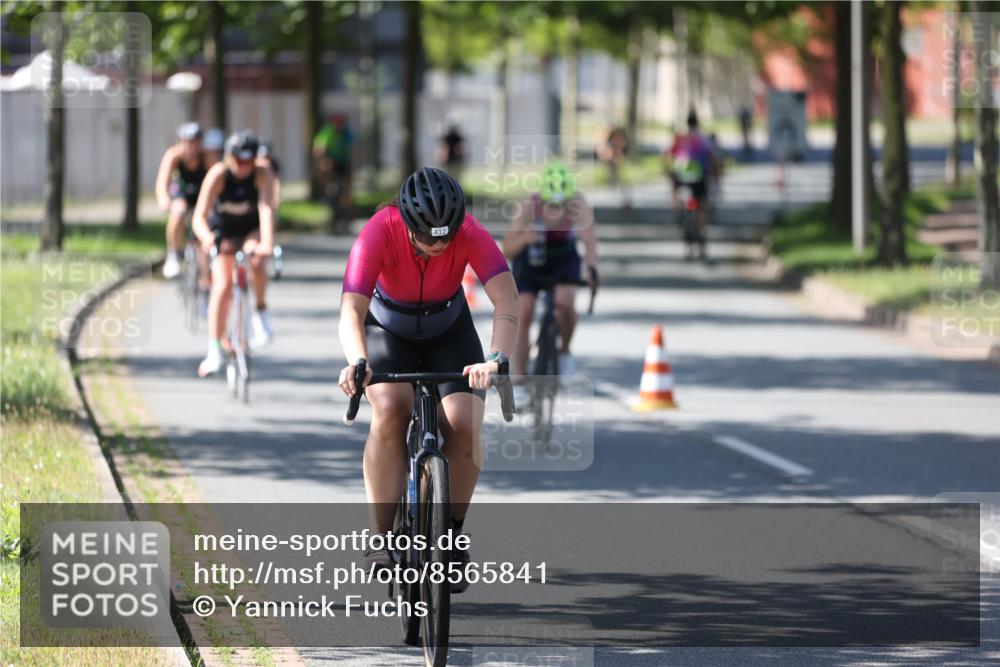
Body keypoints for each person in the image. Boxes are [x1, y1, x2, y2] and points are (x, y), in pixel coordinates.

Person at [336, 167, 519, 592]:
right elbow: (351, 310)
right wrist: (358, 359)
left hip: (448, 331)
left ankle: (450, 534)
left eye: (446, 237)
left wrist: (496, 358)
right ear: (406, 223)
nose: (438, 245)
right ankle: (381, 538)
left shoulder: (468, 230)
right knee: (390, 407)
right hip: (388, 332)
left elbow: (507, 299)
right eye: (427, 237)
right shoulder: (378, 231)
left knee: (465, 423)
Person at [501, 160, 598, 386]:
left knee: (565, 302)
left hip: (563, 257)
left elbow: (589, 240)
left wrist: (591, 267)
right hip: (531, 260)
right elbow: (507, 249)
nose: (556, 210)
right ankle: (519, 375)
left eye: (561, 205)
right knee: (524, 310)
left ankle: (564, 351)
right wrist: (524, 238)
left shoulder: (577, 203)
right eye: (551, 206)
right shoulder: (529, 205)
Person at [191, 130, 277, 377]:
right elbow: (198, 217)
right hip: (224, 231)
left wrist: (267, 243)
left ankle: (260, 311)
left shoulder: (262, 173)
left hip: (250, 229)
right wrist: (207, 238)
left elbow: (266, 210)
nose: (243, 166)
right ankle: (214, 350)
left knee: (257, 260)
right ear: (229, 158)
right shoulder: (218, 174)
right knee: (223, 285)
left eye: (248, 161)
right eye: (238, 160)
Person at [155, 122, 208, 279]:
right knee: (178, 212)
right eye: (188, 141)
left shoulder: (207, 156)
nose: (191, 146)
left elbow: (216, 178)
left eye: (195, 141)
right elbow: (162, 181)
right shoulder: (174, 156)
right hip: (182, 192)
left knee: (205, 222)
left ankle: (205, 273)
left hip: (202, 193)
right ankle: (173, 253)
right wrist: (164, 200)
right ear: (181, 141)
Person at [666, 111, 717, 260]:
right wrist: (716, 174)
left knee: (673, 184)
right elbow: (712, 158)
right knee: (702, 205)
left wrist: (667, 170)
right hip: (699, 177)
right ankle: (701, 231)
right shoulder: (703, 138)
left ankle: (676, 208)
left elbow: (666, 154)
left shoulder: (680, 138)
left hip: (681, 176)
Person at [313, 113, 355, 228]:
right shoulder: (328, 131)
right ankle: (327, 192)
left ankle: (347, 217)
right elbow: (319, 147)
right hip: (332, 163)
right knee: (326, 169)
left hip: (344, 164)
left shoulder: (346, 133)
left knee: (346, 192)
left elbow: (353, 150)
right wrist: (320, 163)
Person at [600, 125, 631, 212]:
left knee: (622, 181)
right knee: (619, 180)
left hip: (618, 159)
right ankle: (625, 200)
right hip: (614, 159)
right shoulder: (613, 138)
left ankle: (626, 201)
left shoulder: (618, 138)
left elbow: (619, 148)